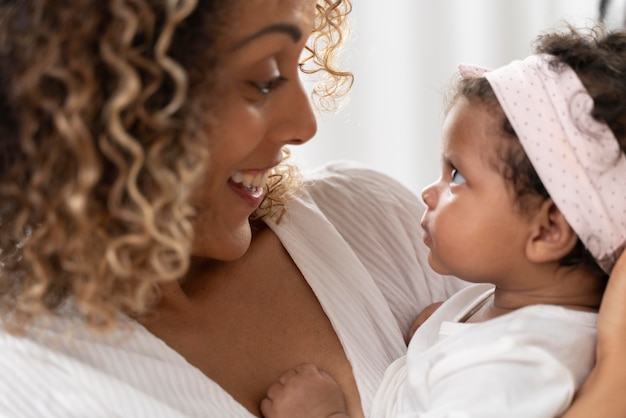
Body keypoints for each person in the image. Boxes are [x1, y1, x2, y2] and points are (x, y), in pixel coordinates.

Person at [0, 1, 470, 417]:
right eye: (263, 80)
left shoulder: (378, 222)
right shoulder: (25, 375)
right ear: (109, 101)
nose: (304, 125)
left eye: (298, 62)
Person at [260, 26, 626, 418]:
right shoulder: (506, 311)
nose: (429, 192)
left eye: (457, 176)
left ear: (548, 230)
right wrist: (437, 336)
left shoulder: (511, 374)